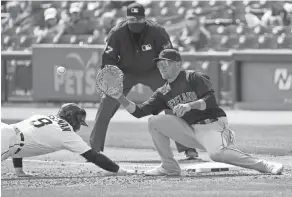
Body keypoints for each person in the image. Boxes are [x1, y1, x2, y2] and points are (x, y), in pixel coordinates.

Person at [109, 48, 284, 176]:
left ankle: (265, 165)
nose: (162, 67)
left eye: (166, 63)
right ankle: (169, 166)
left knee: (216, 154)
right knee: (154, 122)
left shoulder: (193, 77)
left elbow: (211, 101)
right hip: (190, 131)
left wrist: (189, 105)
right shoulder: (162, 92)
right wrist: (120, 97)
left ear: (178, 64)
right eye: (159, 64)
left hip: (212, 126)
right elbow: (139, 112)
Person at [90, 2, 198, 160]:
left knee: (175, 101)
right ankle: (94, 149)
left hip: (154, 71)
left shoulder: (157, 31)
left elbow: (168, 54)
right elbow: (108, 59)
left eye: (138, 20)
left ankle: (189, 149)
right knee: (107, 103)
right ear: (127, 19)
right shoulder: (117, 33)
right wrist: (111, 78)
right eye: (132, 20)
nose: (135, 23)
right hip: (126, 72)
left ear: (144, 19)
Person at [1, 103, 135, 177]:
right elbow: (92, 155)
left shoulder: (40, 116)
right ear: (69, 116)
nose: (78, 124)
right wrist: (118, 170)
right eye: (78, 119)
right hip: (7, 141)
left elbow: (18, 138)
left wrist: (19, 171)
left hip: (6, 131)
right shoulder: (66, 133)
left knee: (17, 137)